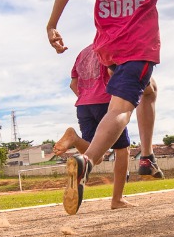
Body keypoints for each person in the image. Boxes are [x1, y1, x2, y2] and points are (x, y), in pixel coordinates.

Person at [46, 0, 174, 214]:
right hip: (138, 51)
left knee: (149, 91)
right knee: (121, 110)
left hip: (111, 55)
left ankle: (148, 155)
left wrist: (52, 25)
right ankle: (85, 163)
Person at [51, 44, 134, 209]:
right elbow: (116, 74)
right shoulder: (109, 46)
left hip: (84, 106)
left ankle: (74, 138)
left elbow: (73, 84)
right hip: (107, 104)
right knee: (122, 150)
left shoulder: (82, 53)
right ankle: (117, 200)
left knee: (94, 156)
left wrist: (87, 97)